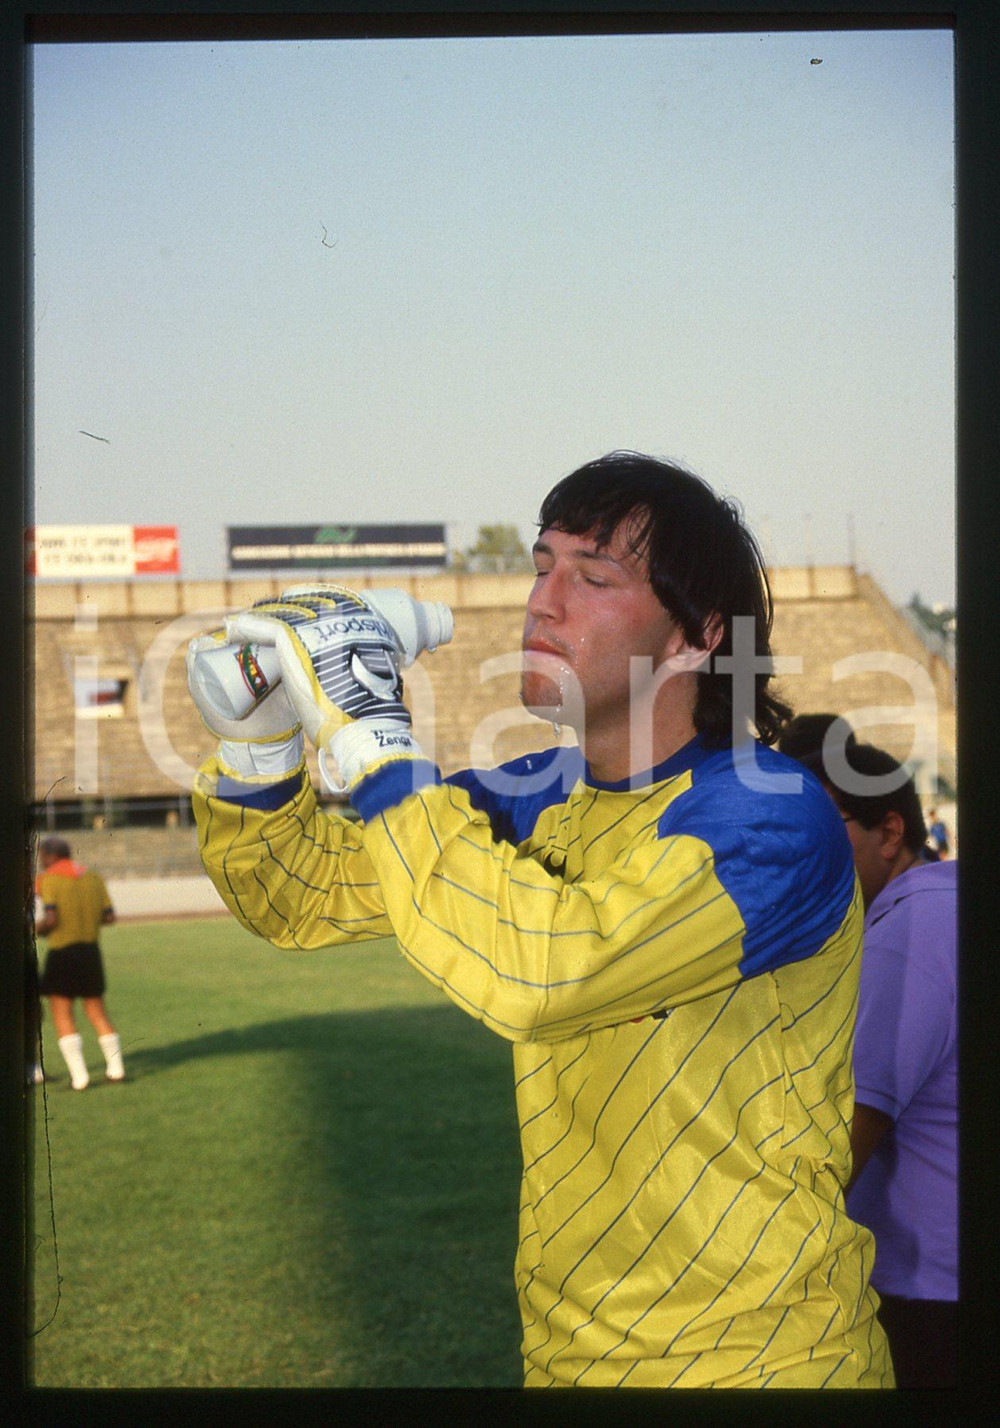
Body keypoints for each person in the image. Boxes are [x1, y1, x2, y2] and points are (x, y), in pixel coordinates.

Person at [190, 451, 893, 1388]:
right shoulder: (533, 794)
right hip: (567, 1355)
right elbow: (297, 895)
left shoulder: (773, 814)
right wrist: (259, 742)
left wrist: (374, 737)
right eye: (540, 565)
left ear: (700, 635)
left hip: (759, 1358)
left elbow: (544, 972)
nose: (542, 602)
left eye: (593, 577)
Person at [786, 741, 958, 1389]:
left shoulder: (904, 937)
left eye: (819, 832)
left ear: (890, 831)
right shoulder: (943, 902)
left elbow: (844, 1139)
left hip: (923, 1291)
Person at [35, 835, 126, 1091]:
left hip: (63, 953)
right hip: (90, 952)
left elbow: (51, 918)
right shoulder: (92, 876)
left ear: (50, 856)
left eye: (42, 856)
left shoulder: (49, 878)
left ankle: (80, 1078)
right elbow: (109, 917)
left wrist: (37, 929)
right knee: (97, 1011)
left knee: (62, 1013)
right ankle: (116, 1070)